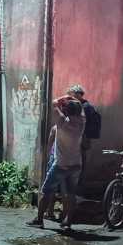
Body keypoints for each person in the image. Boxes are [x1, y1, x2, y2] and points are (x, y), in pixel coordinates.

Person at [28, 91, 85, 230]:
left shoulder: (62, 122)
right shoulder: (82, 122)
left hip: (61, 164)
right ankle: (67, 222)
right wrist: (74, 100)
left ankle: (39, 219)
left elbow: (54, 103)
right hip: (76, 164)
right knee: (71, 194)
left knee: (47, 191)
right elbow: (81, 109)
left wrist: (66, 97)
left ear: (66, 111)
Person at [69, 84, 101, 195]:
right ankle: (75, 187)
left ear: (79, 94)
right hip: (80, 139)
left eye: (73, 94)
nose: (71, 96)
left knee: (79, 163)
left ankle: (77, 187)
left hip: (82, 139)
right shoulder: (83, 105)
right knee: (78, 162)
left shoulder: (85, 107)